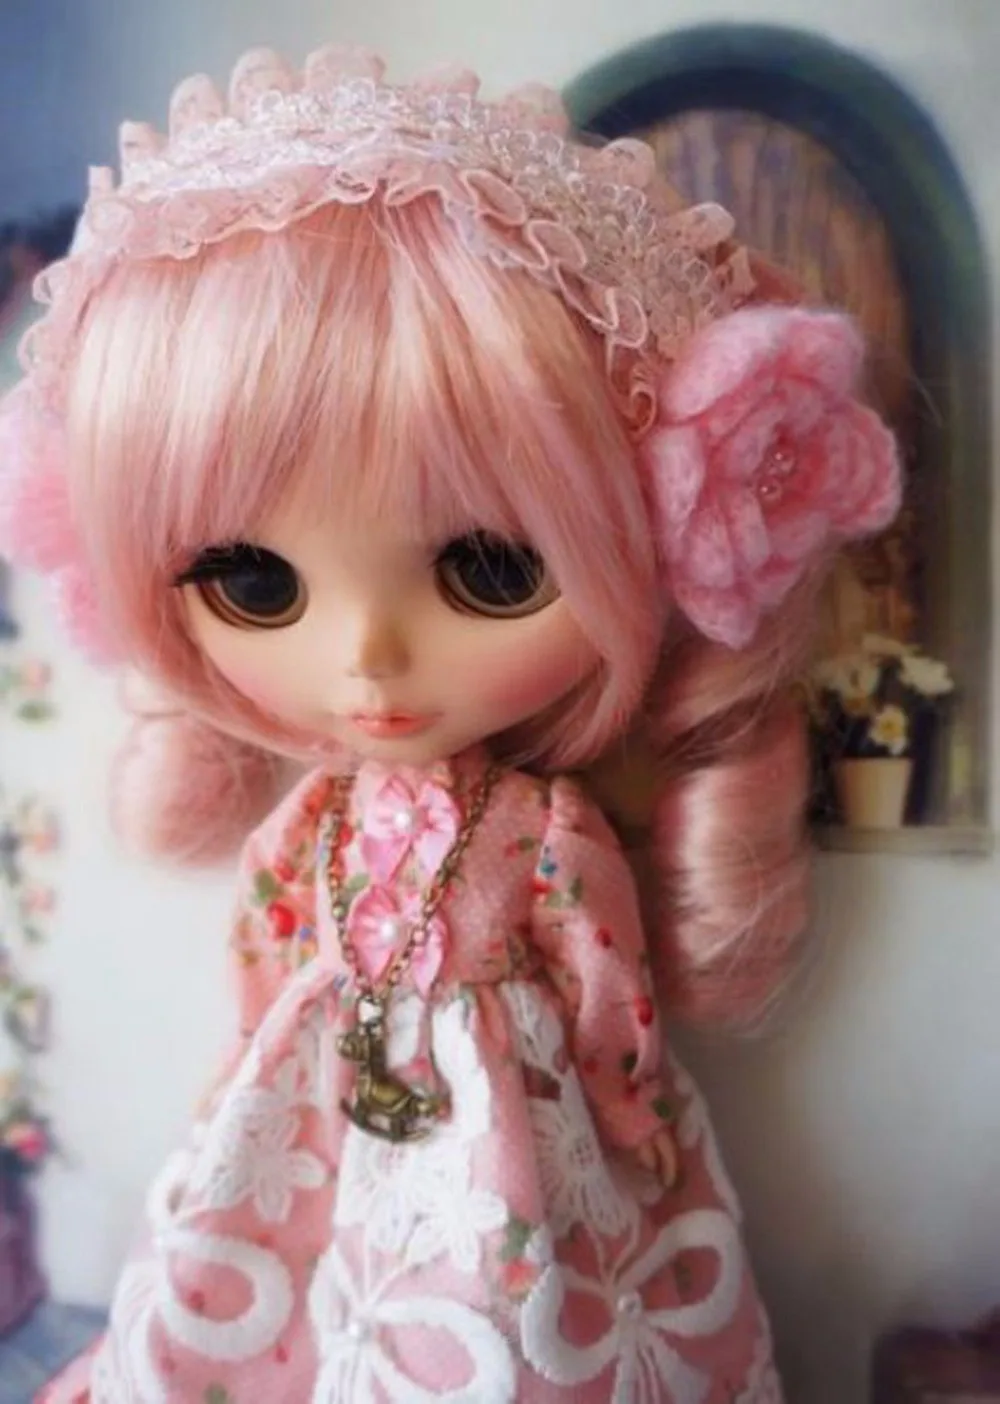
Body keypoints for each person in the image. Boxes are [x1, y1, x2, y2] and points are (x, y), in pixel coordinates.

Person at [0, 43, 899, 1402]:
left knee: (503, 1312)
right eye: (256, 585)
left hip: (513, 1128)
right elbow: (268, 940)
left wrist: (627, 1101)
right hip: (316, 1094)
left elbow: (601, 977)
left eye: (492, 569)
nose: (364, 657)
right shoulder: (315, 819)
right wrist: (243, 1069)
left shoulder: (540, 828)